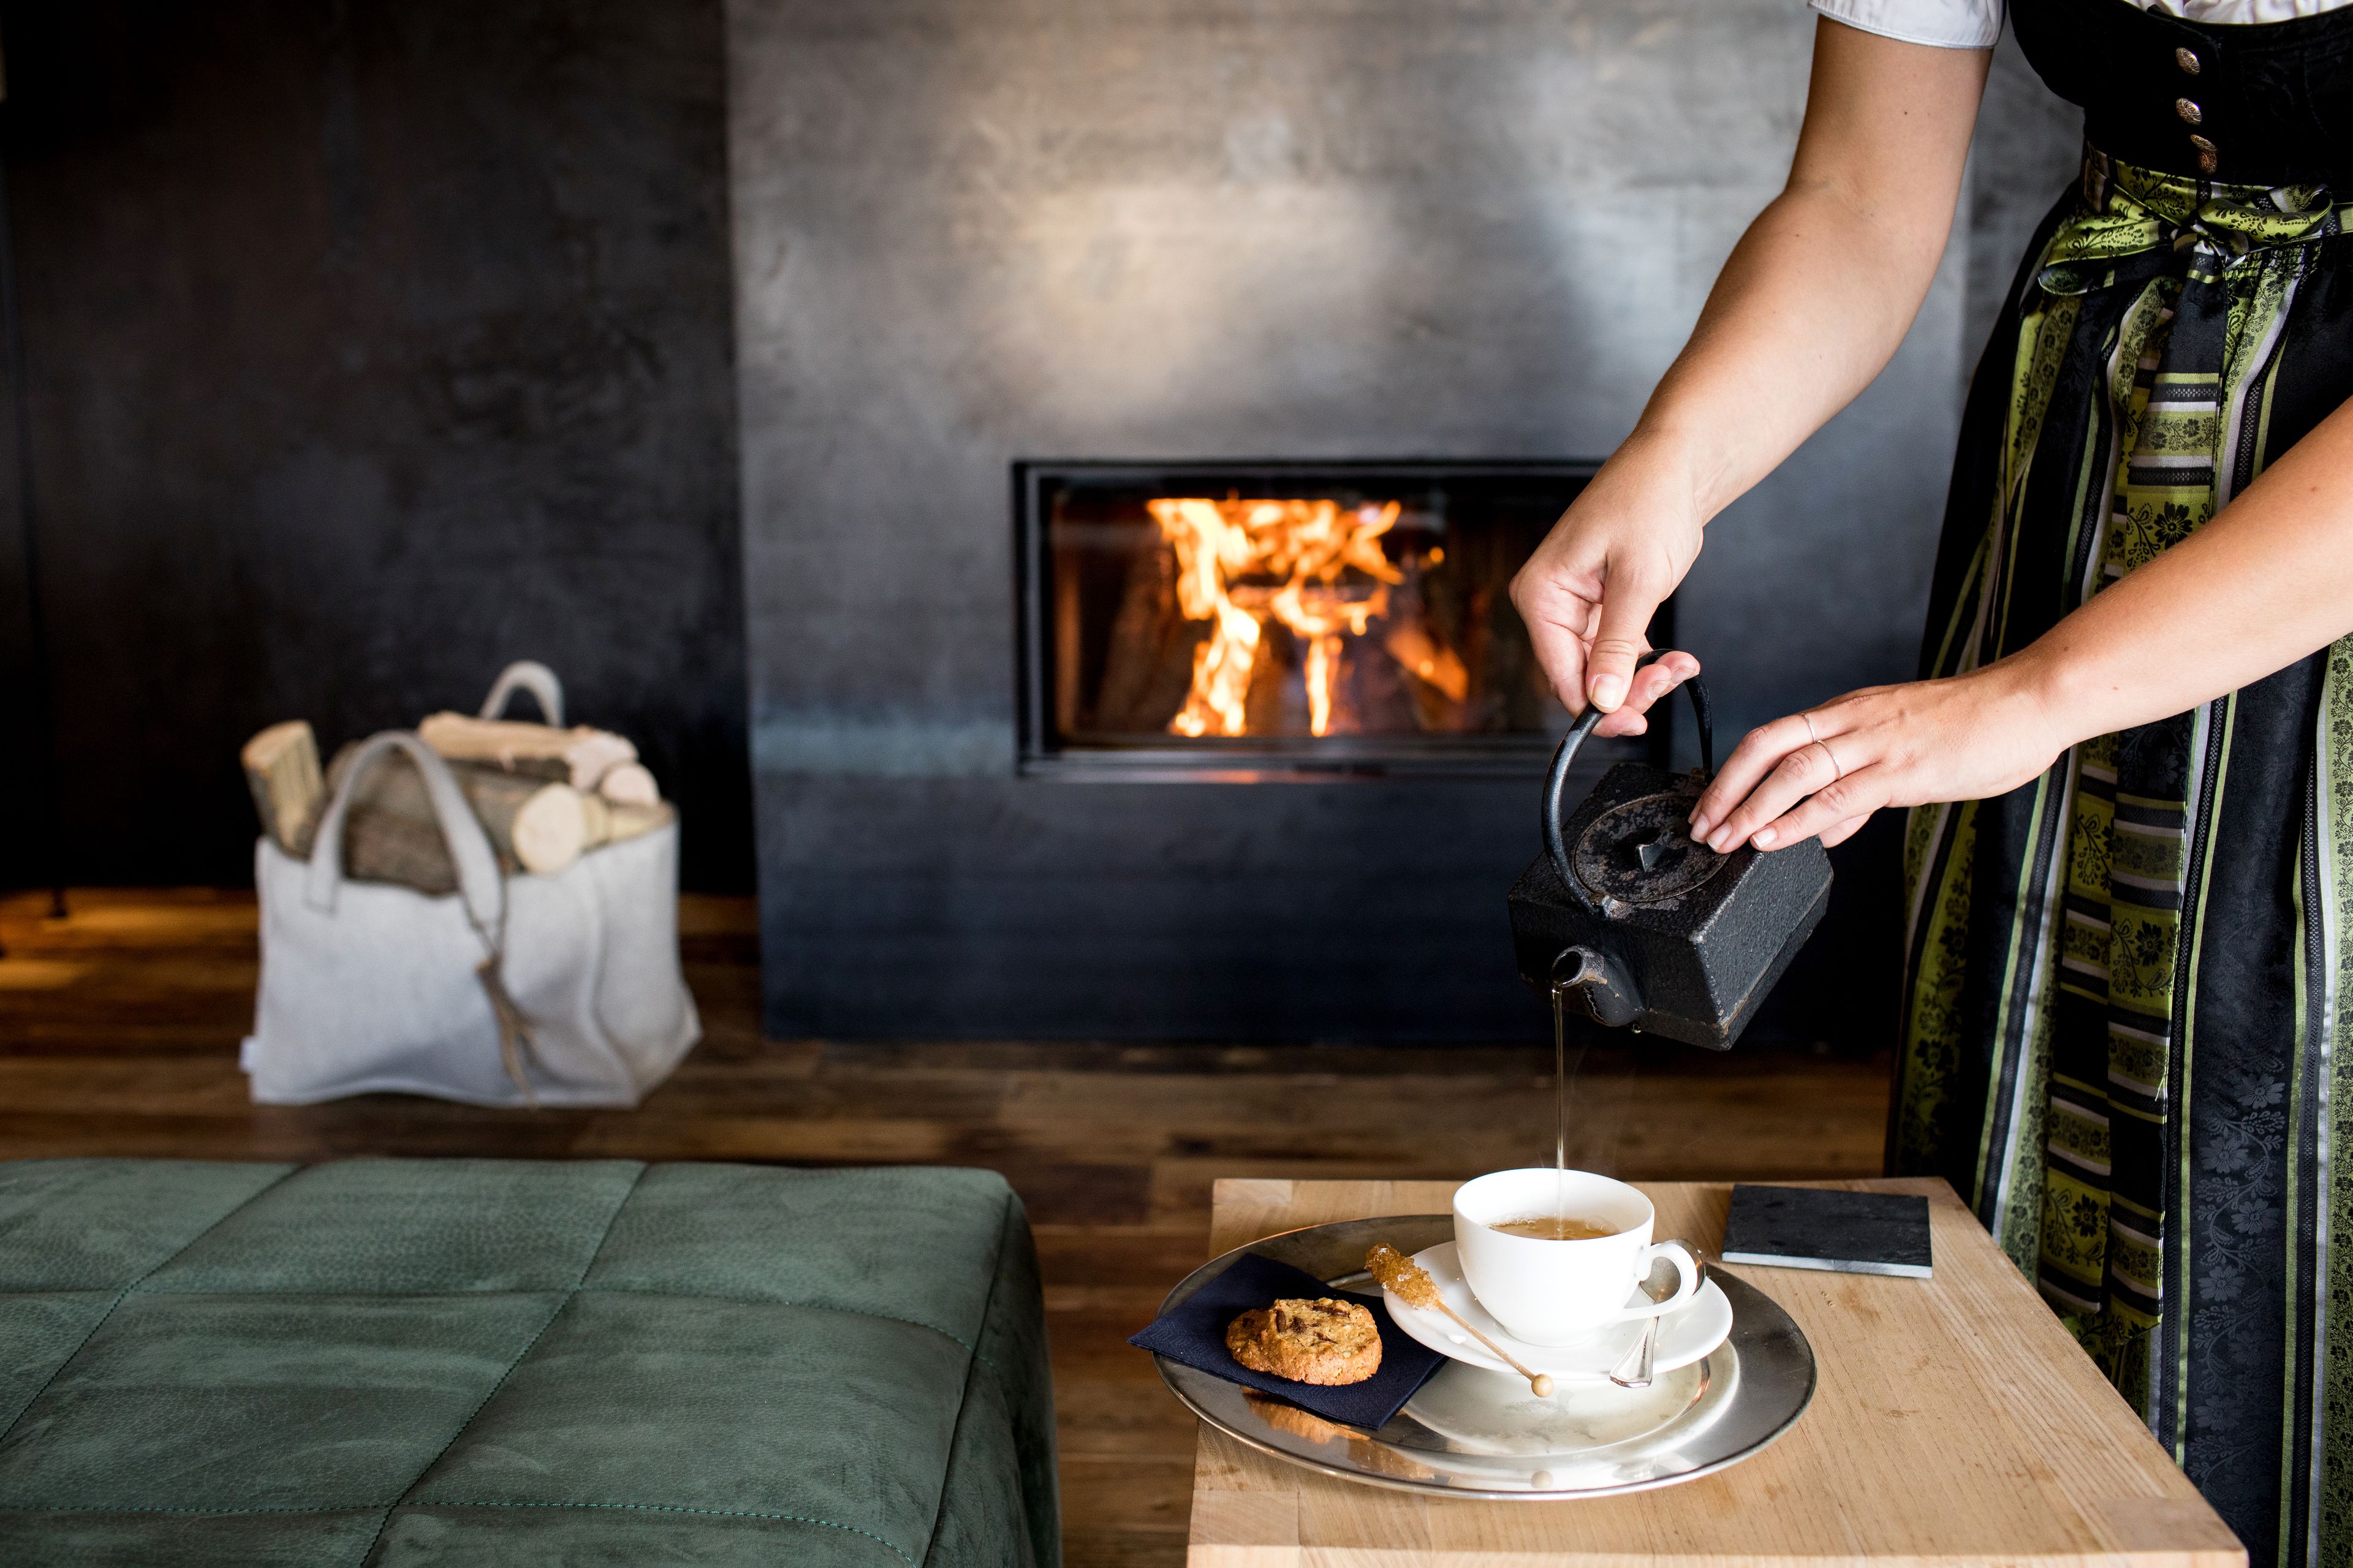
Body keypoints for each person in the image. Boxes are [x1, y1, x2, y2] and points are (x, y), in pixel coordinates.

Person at [1508, 0, 2353, 1558]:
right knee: (2040, 1066)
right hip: (2087, 467)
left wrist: (2042, 693)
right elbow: (1856, 196)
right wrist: (1671, 462)